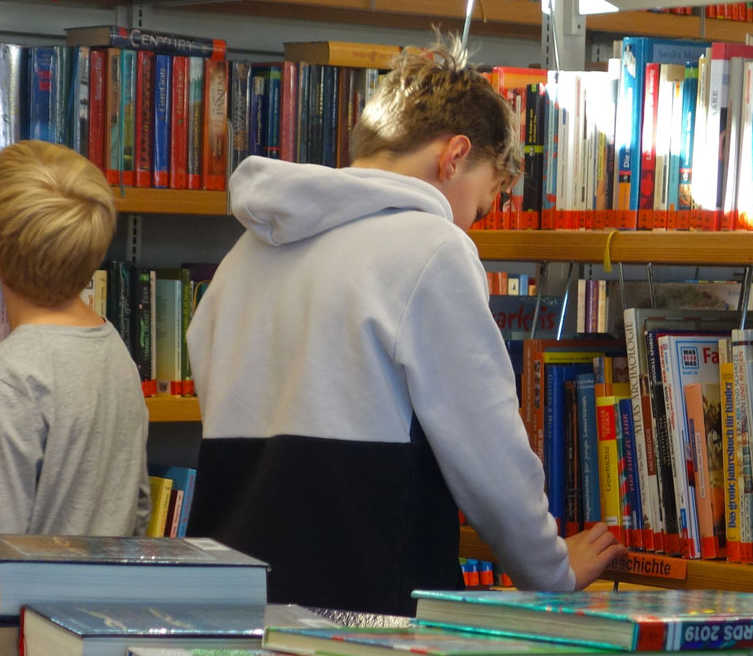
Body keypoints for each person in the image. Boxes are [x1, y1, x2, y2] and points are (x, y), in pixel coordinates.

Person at [186, 42, 626, 614]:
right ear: (455, 156)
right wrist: (548, 567)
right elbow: (487, 449)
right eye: (484, 204)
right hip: (366, 613)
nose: (472, 224)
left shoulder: (246, 252)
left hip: (234, 600)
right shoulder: (432, 247)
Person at [0, 140, 150, 536]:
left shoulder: (0, 380)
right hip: (108, 595)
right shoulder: (116, 352)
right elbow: (139, 507)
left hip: (24, 599)